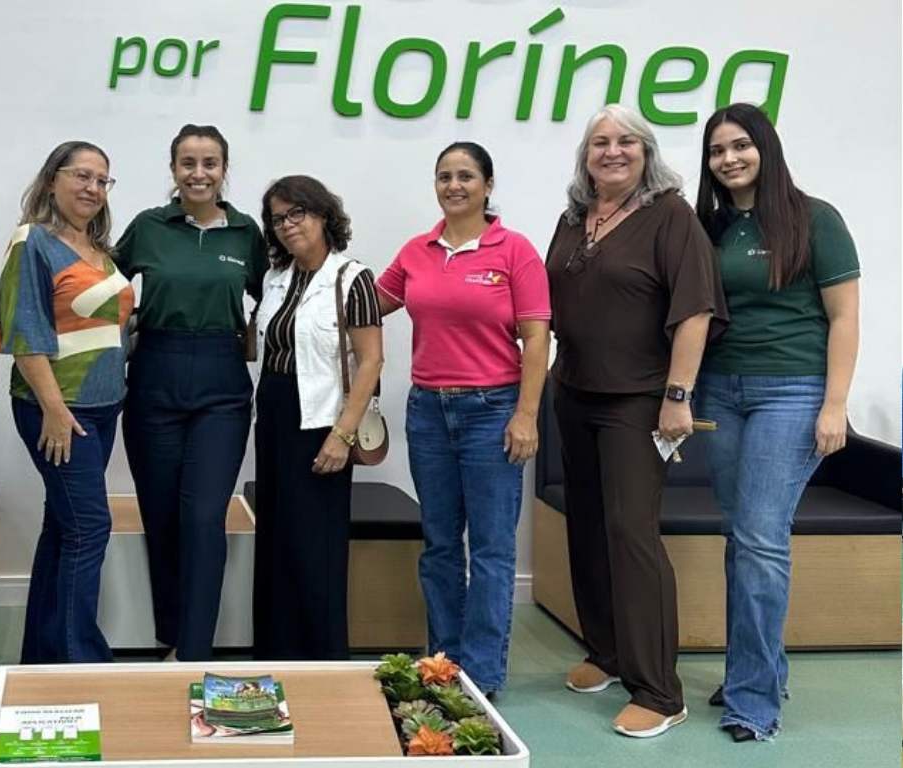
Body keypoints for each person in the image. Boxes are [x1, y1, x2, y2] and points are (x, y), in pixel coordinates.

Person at [544, 104, 727, 738]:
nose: (612, 151)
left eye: (626, 141)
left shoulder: (669, 216)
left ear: (646, 152)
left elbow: (695, 311)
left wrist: (678, 394)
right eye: (600, 142)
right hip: (572, 393)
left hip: (638, 400)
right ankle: (608, 653)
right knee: (587, 526)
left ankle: (658, 689)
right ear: (585, 156)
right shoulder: (573, 220)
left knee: (630, 533)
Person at [693, 103, 860, 743]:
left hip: (792, 391)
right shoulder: (710, 227)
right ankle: (754, 671)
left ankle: (754, 703)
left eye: (740, 146)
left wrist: (835, 404)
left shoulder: (816, 219)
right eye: (717, 151)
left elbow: (843, 317)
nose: (729, 159)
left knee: (761, 540)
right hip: (720, 392)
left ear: (766, 147)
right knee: (744, 537)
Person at [375, 142, 551, 697]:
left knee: (493, 549)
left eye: (466, 176)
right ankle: (442, 666)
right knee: (441, 545)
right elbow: (365, 305)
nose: (454, 186)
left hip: (493, 412)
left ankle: (482, 676)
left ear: (488, 185)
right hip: (428, 410)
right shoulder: (417, 251)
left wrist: (527, 414)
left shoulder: (514, 250)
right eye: (444, 177)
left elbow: (538, 339)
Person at [114, 124, 267, 661]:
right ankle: (171, 633)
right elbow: (99, 285)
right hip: (155, 372)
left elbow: (275, 297)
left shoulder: (247, 233)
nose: (198, 173)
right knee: (161, 513)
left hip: (221, 385)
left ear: (224, 170)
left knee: (204, 515)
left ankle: (195, 651)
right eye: (187, 163)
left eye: (209, 163)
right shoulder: (149, 227)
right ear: (173, 169)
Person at [0, 141, 134, 664]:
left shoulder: (99, 250)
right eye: (82, 175)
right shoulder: (32, 242)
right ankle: (82, 663)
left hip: (103, 408)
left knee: (65, 524)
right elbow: (25, 333)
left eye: (102, 180)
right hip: (59, 409)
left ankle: (42, 658)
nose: (92, 188)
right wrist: (55, 410)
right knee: (89, 526)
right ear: (52, 179)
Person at [250, 175, 383, 661]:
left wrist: (342, 434)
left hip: (322, 425)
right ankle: (275, 651)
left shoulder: (353, 278)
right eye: (277, 219)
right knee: (276, 540)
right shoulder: (275, 278)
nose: (287, 226)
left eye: (296, 213)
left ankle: (322, 658)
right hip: (276, 416)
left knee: (314, 549)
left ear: (323, 214)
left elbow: (370, 361)